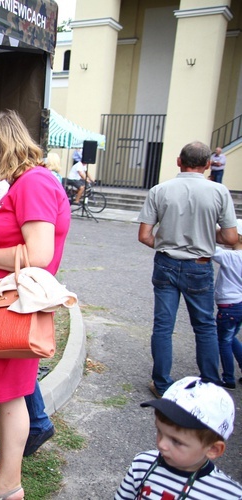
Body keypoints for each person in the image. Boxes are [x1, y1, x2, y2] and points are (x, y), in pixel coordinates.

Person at [0, 110, 71, 499]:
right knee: (11, 399)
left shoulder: (33, 182)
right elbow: (27, 246)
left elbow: (37, 254)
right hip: (17, 309)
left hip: (7, 311)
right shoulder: (34, 180)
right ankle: (8, 488)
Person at [138, 141, 238, 398]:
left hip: (166, 262)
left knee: (163, 326)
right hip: (200, 265)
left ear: (178, 161)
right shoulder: (219, 191)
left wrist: (169, 239)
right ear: (207, 165)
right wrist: (203, 233)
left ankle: (161, 384)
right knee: (204, 326)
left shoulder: (160, 190)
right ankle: (210, 385)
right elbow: (230, 237)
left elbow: (145, 236)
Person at [114, 377, 242, 499]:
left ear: (213, 449)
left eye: (176, 441)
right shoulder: (142, 464)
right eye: (159, 431)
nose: (161, 445)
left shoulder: (228, 495)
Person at [212, 219, 242, 389]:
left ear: (236, 236)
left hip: (229, 306)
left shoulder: (231, 257)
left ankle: (228, 377)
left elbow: (210, 249)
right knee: (231, 338)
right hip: (240, 305)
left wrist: (208, 226)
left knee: (223, 340)